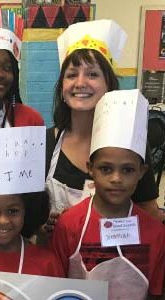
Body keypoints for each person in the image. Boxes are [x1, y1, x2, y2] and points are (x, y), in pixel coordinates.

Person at [45, 19, 163, 229]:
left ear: (109, 85)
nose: (80, 83)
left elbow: (150, 216)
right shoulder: (45, 143)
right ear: (62, 87)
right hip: (55, 257)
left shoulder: (130, 143)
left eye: (92, 74)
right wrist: (44, 226)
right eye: (71, 75)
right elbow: (25, 213)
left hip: (114, 258)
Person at [52, 90, 165, 300]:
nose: (116, 178)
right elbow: (57, 290)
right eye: (106, 169)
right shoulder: (68, 225)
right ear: (90, 168)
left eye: (128, 170)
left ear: (142, 172)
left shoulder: (156, 232)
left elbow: (156, 294)